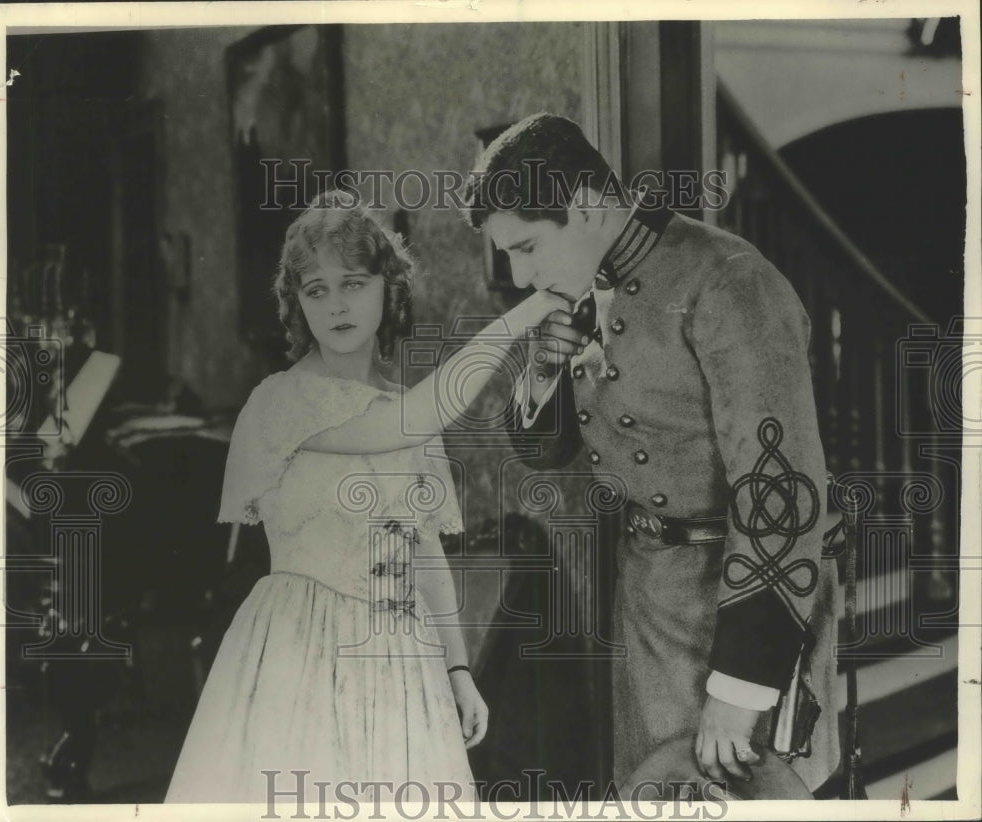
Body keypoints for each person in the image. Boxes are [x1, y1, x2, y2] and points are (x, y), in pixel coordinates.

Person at [463, 113, 840, 795]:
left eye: (525, 248)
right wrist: (542, 371)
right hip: (646, 602)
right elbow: (544, 453)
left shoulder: (729, 284)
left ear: (582, 205)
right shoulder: (584, 287)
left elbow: (783, 496)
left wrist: (742, 683)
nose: (521, 277)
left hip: (738, 608)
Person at [165, 190, 568, 804]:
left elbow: (425, 547)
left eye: (353, 283)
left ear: (388, 288)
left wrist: (458, 670)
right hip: (300, 650)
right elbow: (417, 416)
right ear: (296, 303)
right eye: (316, 290)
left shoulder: (404, 409)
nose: (337, 305)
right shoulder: (280, 402)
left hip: (400, 658)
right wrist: (531, 309)